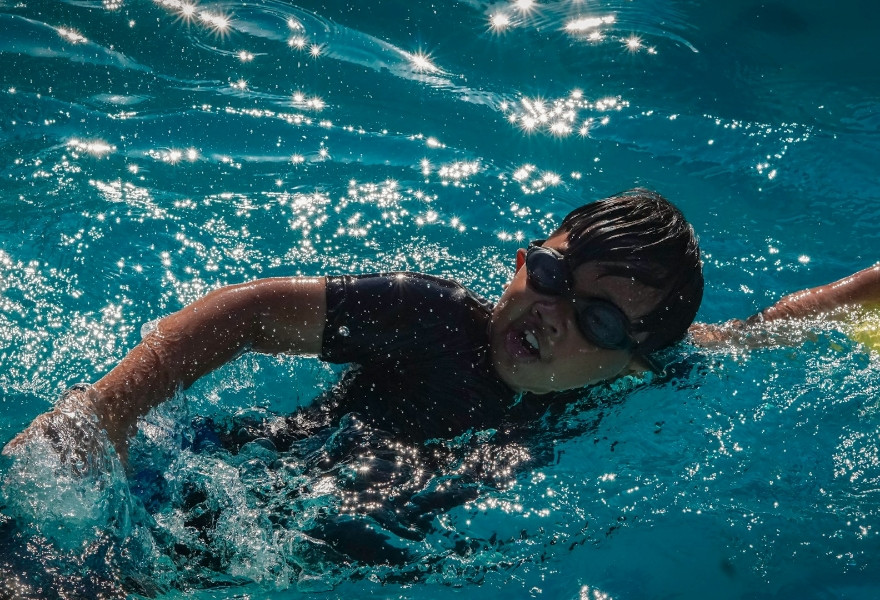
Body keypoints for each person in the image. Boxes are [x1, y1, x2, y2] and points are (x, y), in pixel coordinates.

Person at [4, 188, 879, 464]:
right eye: (551, 274)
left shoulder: (649, 375)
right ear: (521, 260)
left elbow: (762, 330)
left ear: (639, 362)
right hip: (224, 494)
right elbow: (247, 312)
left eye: (601, 317)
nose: (552, 313)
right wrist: (98, 418)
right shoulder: (433, 320)